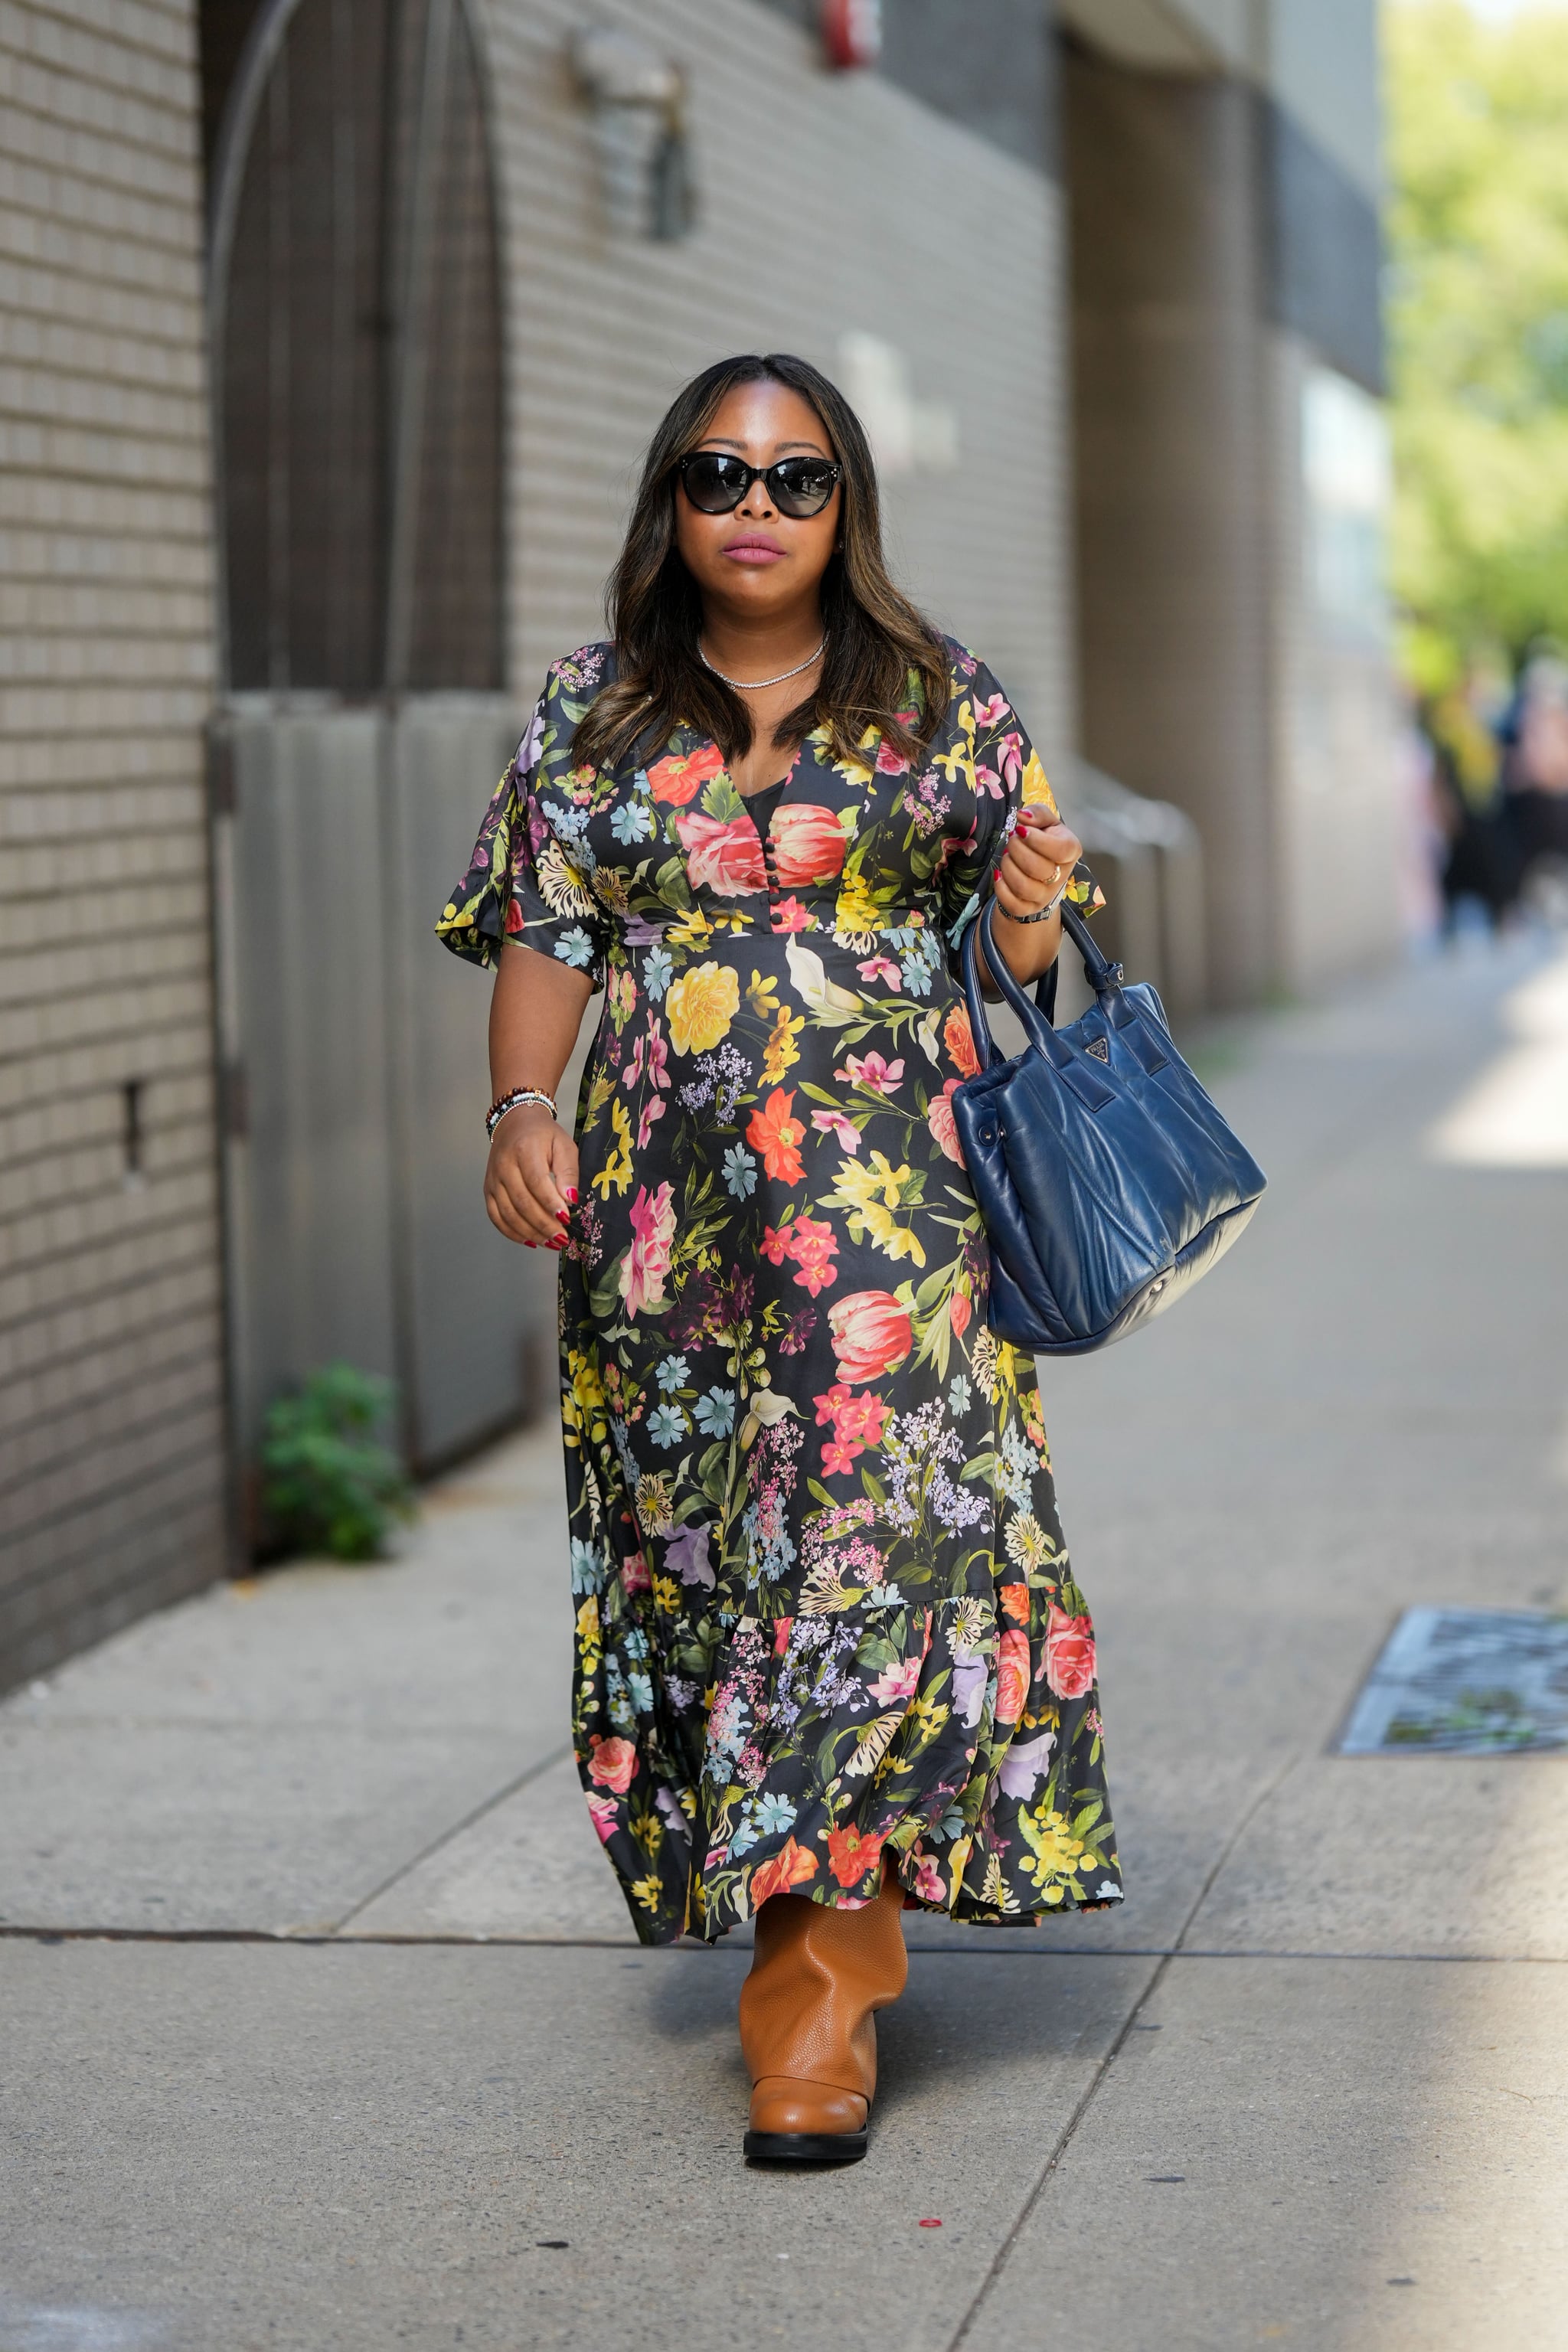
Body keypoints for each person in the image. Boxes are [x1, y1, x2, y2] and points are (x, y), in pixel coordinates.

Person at [438, 352, 1120, 2165]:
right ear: (671, 498)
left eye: (797, 478)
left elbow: (1016, 961)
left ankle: (815, 2013)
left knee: (863, 1563)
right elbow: (547, 929)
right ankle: (790, 1919)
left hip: (895, 1217)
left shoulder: (937, 697)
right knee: (723, 1569)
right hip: (665, 1236)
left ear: (847, 505)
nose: (756, 508)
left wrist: (1035, 903)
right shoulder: (594, 712)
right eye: (720, 476)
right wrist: (521, 1105)